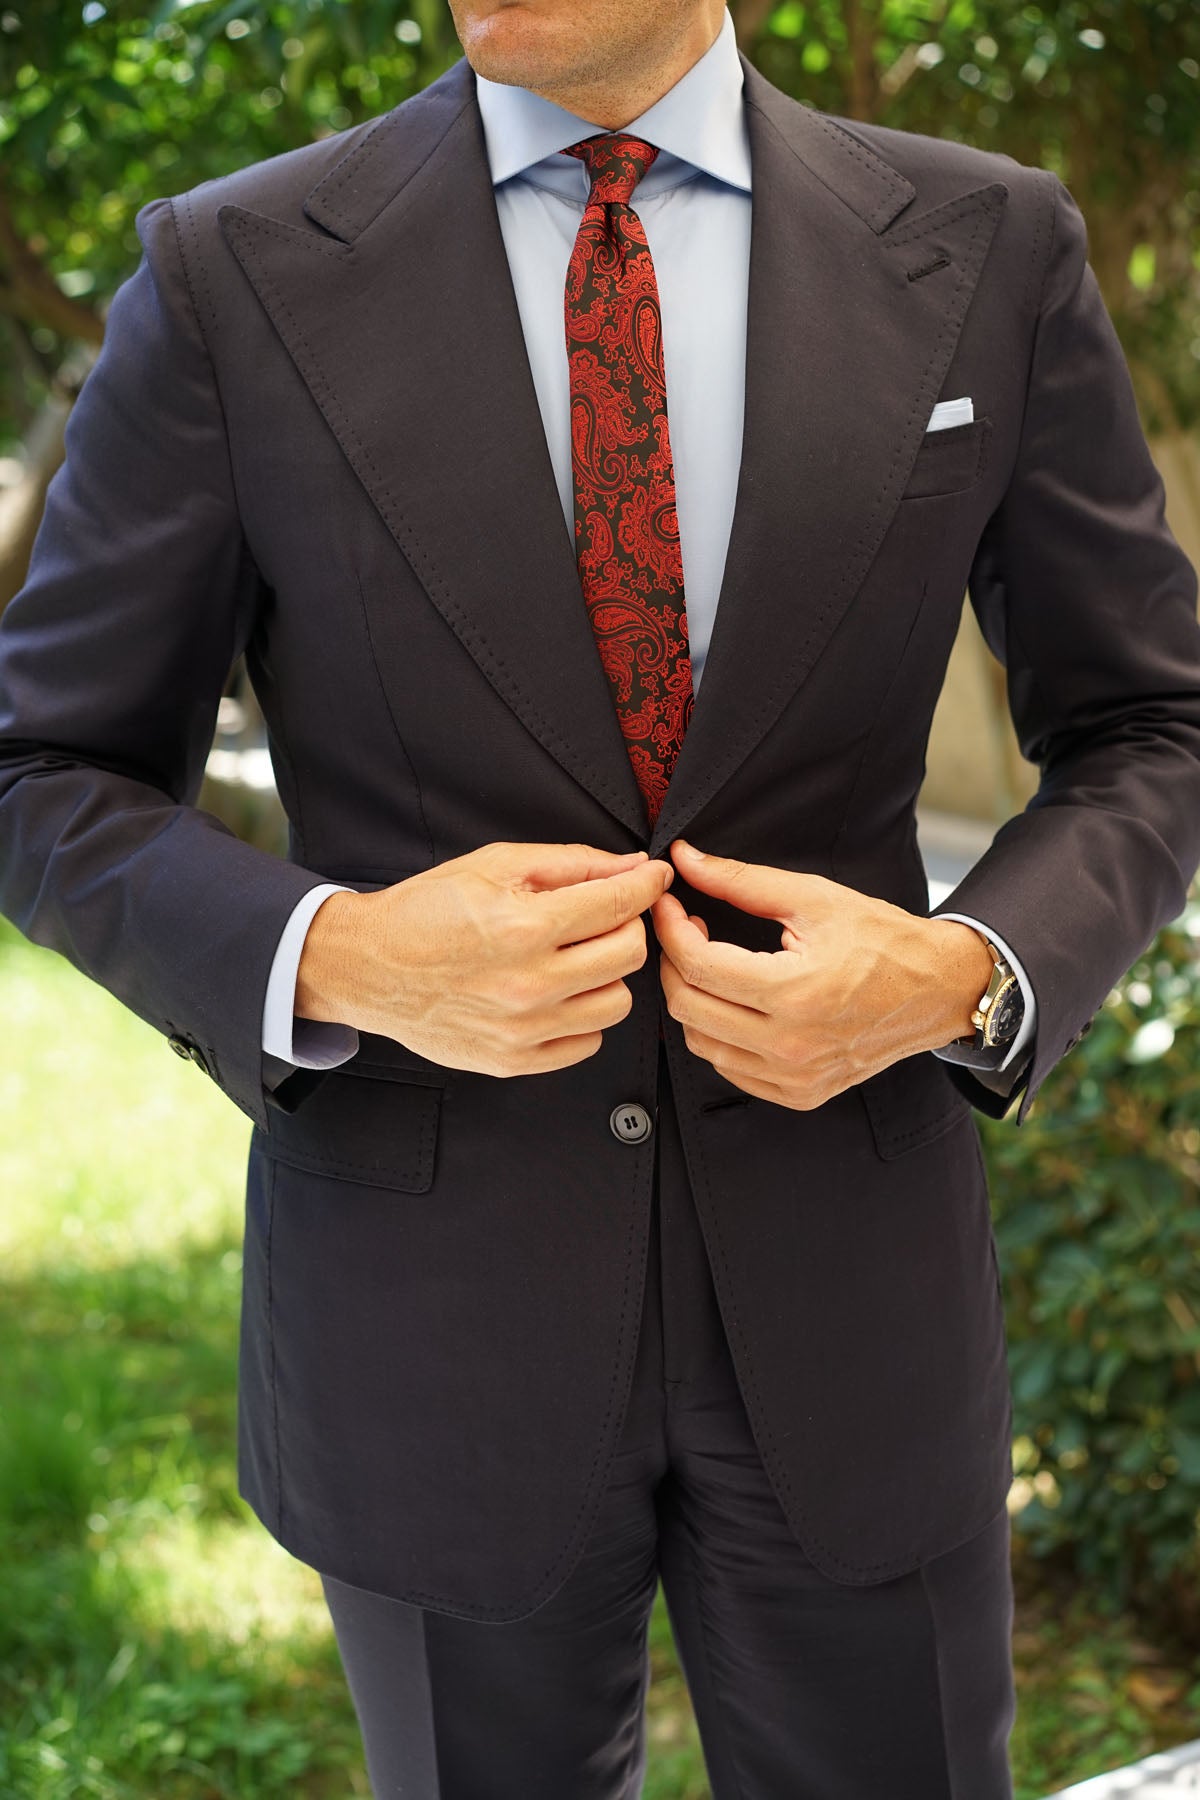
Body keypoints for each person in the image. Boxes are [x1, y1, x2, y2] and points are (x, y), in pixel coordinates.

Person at [2, 1, 1199, 1793]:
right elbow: (45, 768)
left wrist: (967, 969)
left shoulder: (986, 245)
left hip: (855, 1313)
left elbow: (1151, 723)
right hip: (430, 1326)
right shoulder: (235, 270)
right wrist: (335, 955)